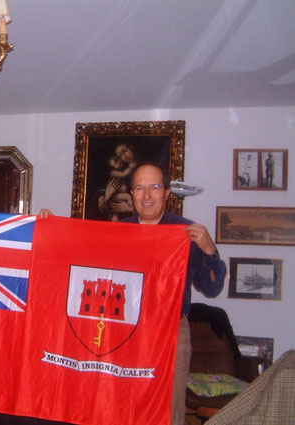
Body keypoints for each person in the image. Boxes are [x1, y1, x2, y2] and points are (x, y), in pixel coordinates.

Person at [122, 163, 226, 425]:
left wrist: (209, 249)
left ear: (167, 192)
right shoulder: (119, 232)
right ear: (132, 193)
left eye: (154, 187)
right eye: (140, 188)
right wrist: (49, 226)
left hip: (171, 330)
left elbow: (212, 288)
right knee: (122, 401)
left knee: (168, 409)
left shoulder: (186, 233)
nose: (147, 196)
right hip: (124, 330)